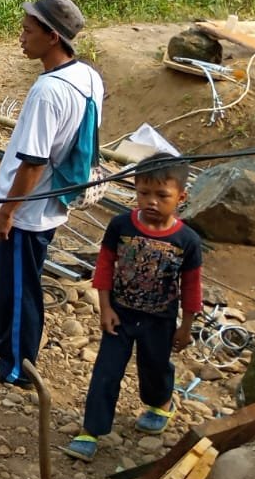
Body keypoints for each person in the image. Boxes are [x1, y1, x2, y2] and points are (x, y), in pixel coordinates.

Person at [0, 0, 104, 387]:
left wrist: (7, 213)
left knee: (23, 285)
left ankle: (16, 365)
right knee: (6, 275)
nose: (20, 38)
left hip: (29, 209)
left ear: (53, 37)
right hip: (48, 200)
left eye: (28, 31)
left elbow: (34, 161)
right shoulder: (87, 75)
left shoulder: (48, 92)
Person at [63, 155, 202, 461]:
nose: (151, 202)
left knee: (154, 367)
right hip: (120, 314)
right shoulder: (121, 226)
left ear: (181, 197)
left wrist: (186, 326)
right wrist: (105, 307)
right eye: (143, 193)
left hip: (160, 320)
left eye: (161, 196)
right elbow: (104, 266)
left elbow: (191, 286)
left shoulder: (187, 240)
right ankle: (91, 430)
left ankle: (160, 402)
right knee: (106, 371)